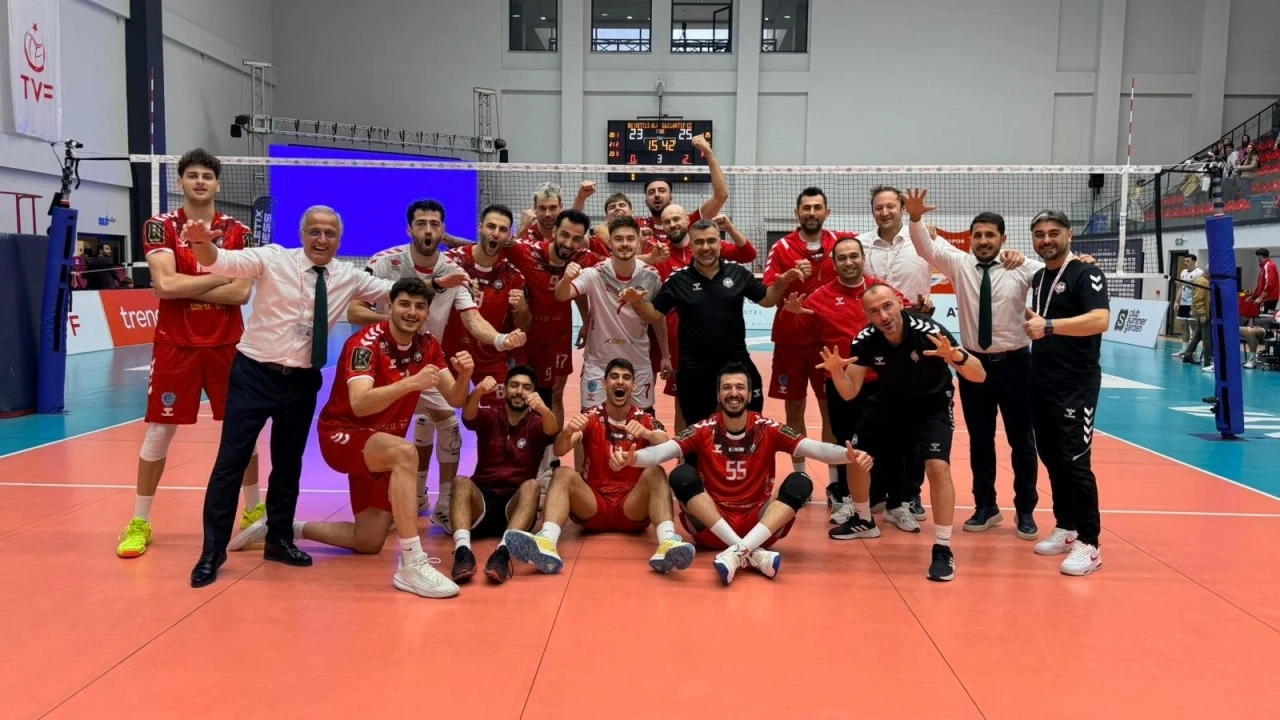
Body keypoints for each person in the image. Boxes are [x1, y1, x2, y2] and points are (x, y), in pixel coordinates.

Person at [186, 206, 394, 588]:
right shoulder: (273, 259)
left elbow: (394, 292)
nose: (321, 239)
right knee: (230, 463)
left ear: (339, 240)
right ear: (302, 234)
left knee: (288, 465)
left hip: (300, 382)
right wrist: (201, 244)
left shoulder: (348, 276)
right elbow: (222, 261)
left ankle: (279, 539)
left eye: (330, 233)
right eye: (314, 231)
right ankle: (211, 552)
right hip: (253, 375)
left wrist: (440, 283)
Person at [228, 278, 472, 598]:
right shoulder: (365, 343)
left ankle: (283, 526)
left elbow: (455, 399)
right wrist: (411, 383)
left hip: (381, 445)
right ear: (389, 306)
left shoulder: (428, 345)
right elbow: (360, 403)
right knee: (405, 453)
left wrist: (465, 377)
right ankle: (412, 563)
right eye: (404, 304)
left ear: (427, 313)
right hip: (343, 435)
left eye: (419, 306)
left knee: (368, 541)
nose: (412, 312)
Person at [117, 148, 261, 559]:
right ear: (180, 182)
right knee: (159, 432)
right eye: (193, 175)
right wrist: (217, 280)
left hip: (228, 344)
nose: (200, 181)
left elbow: (242, 293)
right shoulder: (160, 226)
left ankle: (254, 514)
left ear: (217, 184)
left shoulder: (237, 231)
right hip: (175, 345)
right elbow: (165, 285)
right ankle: (140, 521)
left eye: (207, 176)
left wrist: (185, 284)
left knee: (243, 430)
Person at [613, 361, 872, 585]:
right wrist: (634, 459)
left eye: (740, 388)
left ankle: (738, 551)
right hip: (712, 525)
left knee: (800, 481)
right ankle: (749, 551)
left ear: (749, 394)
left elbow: (813, 448)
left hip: (758, 521)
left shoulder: (767, 428)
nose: (733, 393)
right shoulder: (704, 429)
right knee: (681, 474)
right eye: (727, 388)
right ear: (718, 395)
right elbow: (663, 452)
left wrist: (847, 455)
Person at [353, 200, 524, 532]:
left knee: (448, 424)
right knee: (385, 435)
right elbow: (354, 311)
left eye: (434, 224)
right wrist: (397, 323)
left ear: (443, 230)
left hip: (426, 361)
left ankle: (444, 504)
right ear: (410, 229)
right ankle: (391, 501)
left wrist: (502, 340)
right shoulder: (385, 262)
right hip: (383, 365)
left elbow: (473, 319)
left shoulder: (452, 272)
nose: (428, 230)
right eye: (421, 224)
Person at [821, 284, 987, 581]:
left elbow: (979, 374)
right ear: (867, 316)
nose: (883, 316)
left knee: (938, 468)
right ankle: (864, 520)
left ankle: (943, 547)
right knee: (855, 454)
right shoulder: (865, 340)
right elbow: (849, 392)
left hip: (932, 405)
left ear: (899, 303)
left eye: (887, 306)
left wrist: (956, 357)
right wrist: (835, 371)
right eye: (874, 311)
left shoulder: (928, 331)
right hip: (890, 403)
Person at [902, 189, 1040, 540]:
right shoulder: (960, 263)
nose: (983, 241)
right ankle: (986, 506)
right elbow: (925, 248)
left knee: (1022, 441)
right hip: (973, 365)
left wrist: (1080, 261)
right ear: (971, 238)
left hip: (1016, 365)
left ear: (1003, 239)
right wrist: (915, 218)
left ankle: (1025, 510)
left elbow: (1058, 272)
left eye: (990, 235)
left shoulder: (1021, 266)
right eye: (977, 235)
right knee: (980, 439)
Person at [503, 358, 696, 575]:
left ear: (633, 386)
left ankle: (668, 542)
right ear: (604, 384)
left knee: (656, 472)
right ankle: (546, 541)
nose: (619, 381)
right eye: (614, 377)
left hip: (632, 506)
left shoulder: (643, 418)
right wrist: (567, 432)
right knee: (563, 473)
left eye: (626, 377)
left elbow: (664, 440)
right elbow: (560, 450)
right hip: (593, 505)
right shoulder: (591, 417)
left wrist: (646, 433)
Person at [779, 235, 910, 530]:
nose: (849, 262)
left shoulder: (879, 289)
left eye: (854, 256)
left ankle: (894, 502)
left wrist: (924, 305)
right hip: (842, 384)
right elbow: (795, 329)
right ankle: (848, 499)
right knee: (846, 443)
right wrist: (791, 314)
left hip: (882, 381)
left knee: (891, 443)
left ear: (863, 258)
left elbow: (906, 310)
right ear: (834, 264)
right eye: (842, 258)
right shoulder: (820, 296)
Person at [630, 219, 803, 427]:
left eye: (711, 241)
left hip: (736, 363)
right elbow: (654, 314)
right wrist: (637, 302)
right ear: (691, 245)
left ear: (720, 244)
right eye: (699, 242)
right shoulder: (679, 280)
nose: (706, 247)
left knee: (749, 424)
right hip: (695, 368)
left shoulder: (737, 273)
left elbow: (767, 300)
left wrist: (782, 283)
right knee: (697, 429)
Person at [1022, 210, 1111, 576]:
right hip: (1041, 380)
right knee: (1052, 456)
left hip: (1076, 384)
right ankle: (1067, 525)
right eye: (1040, 234)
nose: (1046, 239)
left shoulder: (1086, 273)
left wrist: (1049, 326)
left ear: (1069, 235)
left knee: (1075, 461)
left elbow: (1100, 319)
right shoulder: (1039, 276)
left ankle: (1090, 543)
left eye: (1053, 232)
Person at [764, 187, 858, 485]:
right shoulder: (781, 248)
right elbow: (767, 295)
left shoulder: (841, 242)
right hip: (790, 343)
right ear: (797, 213)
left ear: (826, 212)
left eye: (817, 207)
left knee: (830, 409)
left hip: (828, 343)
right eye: (806, 208)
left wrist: (922, 234)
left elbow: (870, 253)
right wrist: (788, 277)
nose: (812, 213)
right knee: (794, 408)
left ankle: (834, 481)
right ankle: (800, 477)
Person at [449, 366, 560, 585]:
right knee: (460, 481)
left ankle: (503, 553)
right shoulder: (491, 415)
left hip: (516, 506)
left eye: (526, 387)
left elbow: (552, 430)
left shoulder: (536, 422)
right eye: (514, 385)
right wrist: (478, 392)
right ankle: (462, 551)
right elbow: (468, 417)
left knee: (533, 485)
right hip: (482, 502)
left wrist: (544, 409)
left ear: (534, 393)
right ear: (505, 389)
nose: (519, 391)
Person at [556, 214, 669, 412]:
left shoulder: (651, 276)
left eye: (630, 239)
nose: (624, 244)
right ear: (610, 243)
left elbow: (658, 318)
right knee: (590, 422)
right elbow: (561, 295)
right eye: (618, 239)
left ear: (638, 242)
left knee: (643, 421)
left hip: (638, 362)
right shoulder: (594, 273)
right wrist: (566, 279)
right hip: (598, 363)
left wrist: (666, 355)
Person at [442, 204, 532, 407]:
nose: (496, 233)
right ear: (480, 227)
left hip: (489, 356)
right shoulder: (450, 262)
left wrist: (522, 309)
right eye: (491, 226)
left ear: (509, 236)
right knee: (441, 416)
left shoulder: (513, 276)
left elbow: (524, 326)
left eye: (502, 229)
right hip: (451, 355)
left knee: (503, 414)